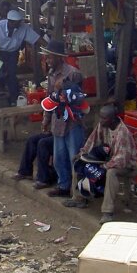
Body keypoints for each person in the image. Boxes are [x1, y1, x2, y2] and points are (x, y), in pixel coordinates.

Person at [70, 104, 136, 218]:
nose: (101, 120)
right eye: (101, 117)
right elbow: (92, 140)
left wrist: (104, 167)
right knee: (79, 163)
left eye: (104, 118)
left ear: (113, 119)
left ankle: (107, 211)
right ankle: (78, 198)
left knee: (111, 173)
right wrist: (82, 153)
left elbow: (121, 159)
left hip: (125, 164)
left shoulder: (122, 133)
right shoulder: (103, 125)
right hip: (108, 159)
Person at [41, 39, 85, 199]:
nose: (48, 60)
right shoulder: (51, 74)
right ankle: (64, 185)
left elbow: (78, 98)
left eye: (50, 57)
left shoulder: (73, 73)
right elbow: (49, 98)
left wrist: (63, 88)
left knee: (74, 156)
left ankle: (78, 191)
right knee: (59, 157)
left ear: (59, 57)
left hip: (73, 122)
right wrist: (45, 118)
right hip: (58, 120)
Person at [0, 9, 41, 106]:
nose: (19, 25)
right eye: (17, 23)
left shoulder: (23, 27)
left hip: (13, 53)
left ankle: (13, 98)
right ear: (10, 22)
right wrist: (1, 61)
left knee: (11, 74)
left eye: (19, 23)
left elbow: (36, 39)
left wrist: (49, 47)